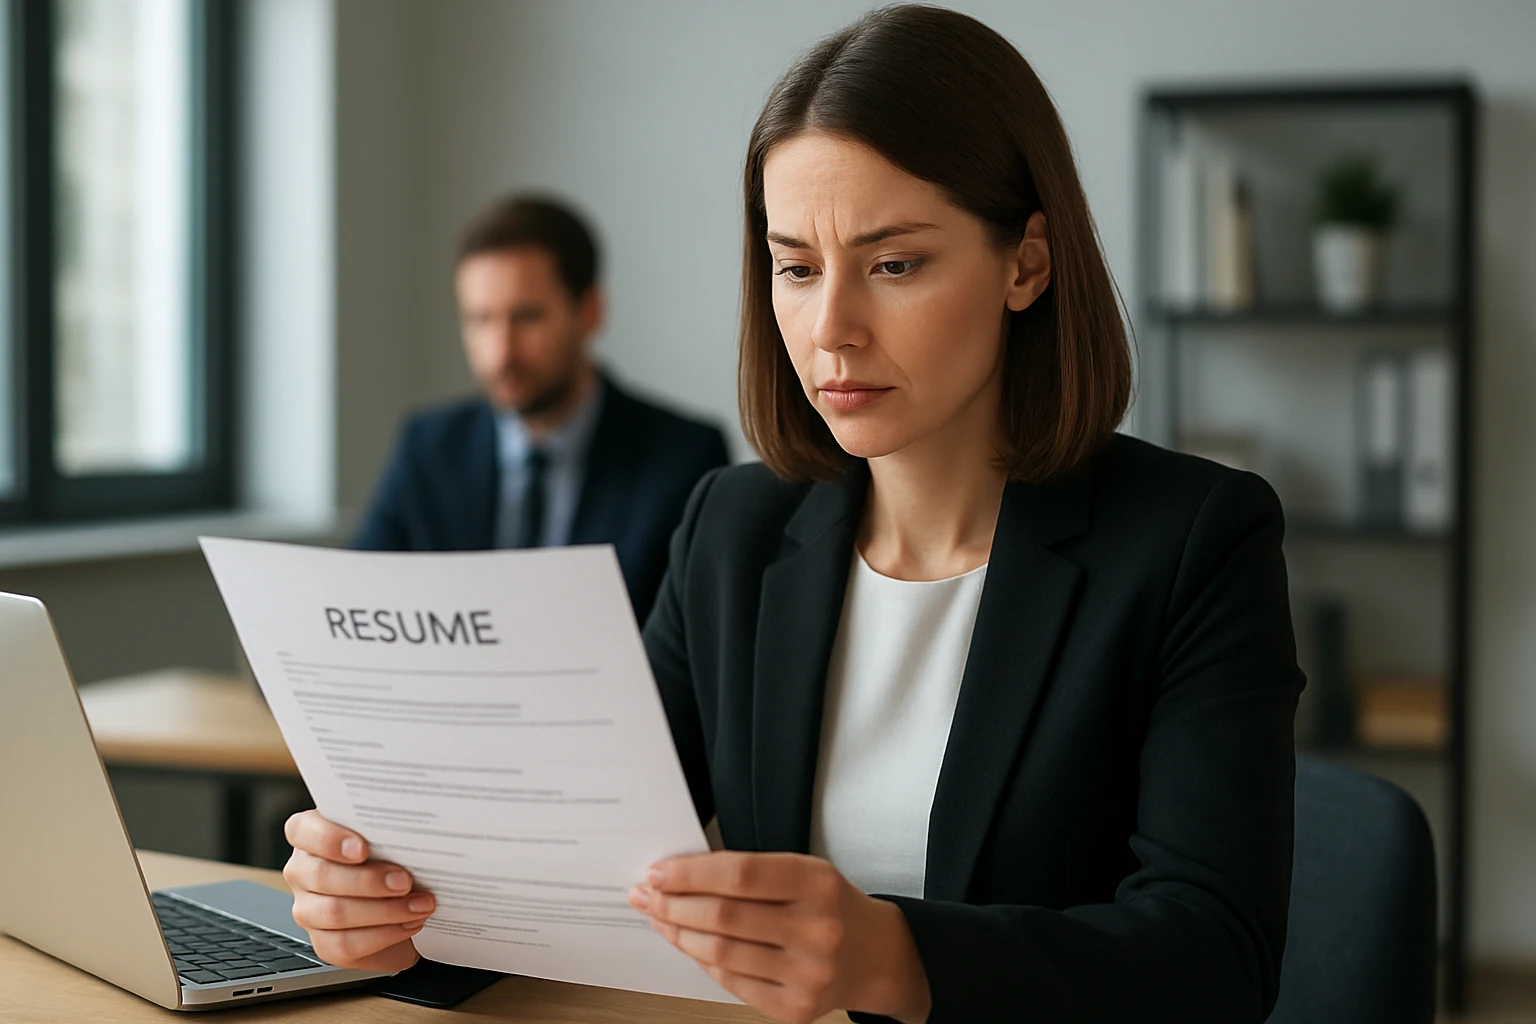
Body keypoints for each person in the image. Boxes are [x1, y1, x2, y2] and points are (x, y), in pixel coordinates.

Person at [284, 7, 1305, 1023]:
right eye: (798, 268)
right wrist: (407, 919)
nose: (831, 329)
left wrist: (896, 958)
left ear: (1026, 263)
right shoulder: (731, 529)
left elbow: (1214, 958)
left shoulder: (1195, 540)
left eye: (894, 264)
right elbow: (572, 870)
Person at [352, 194, 730, 624]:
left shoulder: (683, 458)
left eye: (527, 317)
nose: (501, 353)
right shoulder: (427, 449)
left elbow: (698, 639)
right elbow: (360, 597)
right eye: (480, 319)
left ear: (589, 312)